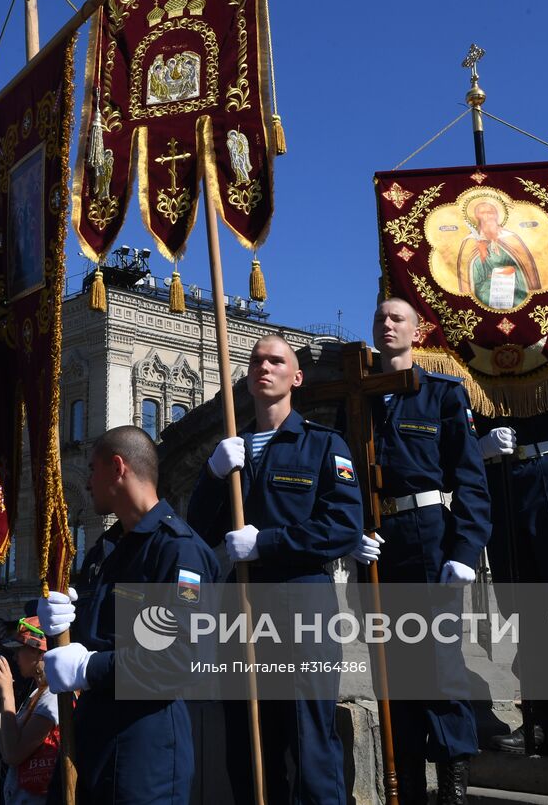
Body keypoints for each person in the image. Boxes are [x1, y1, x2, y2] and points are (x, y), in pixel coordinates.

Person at [186, 333, 362, 805]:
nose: (265, 367)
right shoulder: (232, 448)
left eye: (277, 361)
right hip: (240, 609)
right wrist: (212, 474)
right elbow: (197, 527)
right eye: (257, 360)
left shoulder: (323, 445)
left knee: (308, 739)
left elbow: (343, 527)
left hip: (301, 605)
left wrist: (266, 542)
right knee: (247, 741)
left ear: (296, 377)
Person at [349, 299, 491, 804]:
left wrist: (464, 550)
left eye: (396, 319)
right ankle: (407, 784)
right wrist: (353, 533)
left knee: (439, 666)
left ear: (418, 330)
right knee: (391, 668)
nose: (386, 325)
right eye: (379, 320)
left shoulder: (442, 395)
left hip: (429, 536)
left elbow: (472, 481)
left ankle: (452, 788)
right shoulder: (358, 396)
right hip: (378, 545)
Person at [39, 425, 219, 805]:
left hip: (143, 751)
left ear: (117, 467)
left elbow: (183, 660)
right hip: (88, 741)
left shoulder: (177, 552)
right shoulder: (104, 552)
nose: (87, 482)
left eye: (92, 469)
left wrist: (90, 668)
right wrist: (61, 621)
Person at [476, 381, 548, 759]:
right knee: (523, 606)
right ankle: (538, 718)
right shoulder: (475, 343)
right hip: (501, 475)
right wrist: (479, 443)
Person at [0, 617, 60, 805]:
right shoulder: (38, 691)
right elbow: (5, 747)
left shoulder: (54, 696)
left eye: (20, 649)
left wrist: (7, 695)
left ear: (40, 652)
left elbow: (13, 754)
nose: (15, 656)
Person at [455, 196, 542, 309]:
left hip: (513, 283)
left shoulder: (511, 237)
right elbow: (467, 275)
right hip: (485, 287)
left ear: (497, 215)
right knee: (485, 299)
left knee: (518, 299)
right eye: (482, 212)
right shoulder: (470, 241)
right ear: (477, 216)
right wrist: (481, 254)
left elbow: (526, 267)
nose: (487, 215)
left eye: (491, 212)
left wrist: (511, 271)